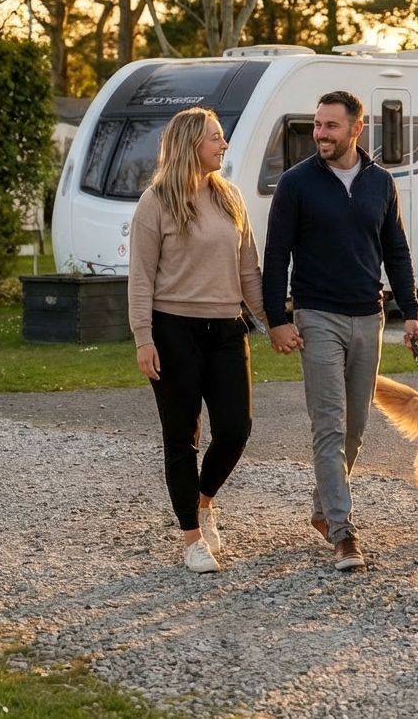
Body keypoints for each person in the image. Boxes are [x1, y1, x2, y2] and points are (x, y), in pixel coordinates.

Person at [262, 89, 418, 572]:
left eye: (331, 126)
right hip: (317, 317)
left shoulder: (381, 183)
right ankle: (343, 531)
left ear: (357, 128)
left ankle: (321, 508)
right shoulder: (297, 183)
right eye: (317, 125)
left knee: (354, 430)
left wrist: (411, 311)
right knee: (329, 426)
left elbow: (395, 249)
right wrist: (277, 318)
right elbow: (275, 255)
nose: (320, 134)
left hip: (368, 316)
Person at [128, 107, 266, 574]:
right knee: (181, 436)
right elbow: (140, 277)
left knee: (235, 428)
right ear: (191, 144)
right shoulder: (157, 201)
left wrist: (271, 323)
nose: (223, 145)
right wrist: (143, 338)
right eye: (215, 138)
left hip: (227, 328)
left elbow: (249, 269)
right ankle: (191, 537)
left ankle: (204, 501)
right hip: (172, 330)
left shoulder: (230, 198)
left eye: (222, 138)